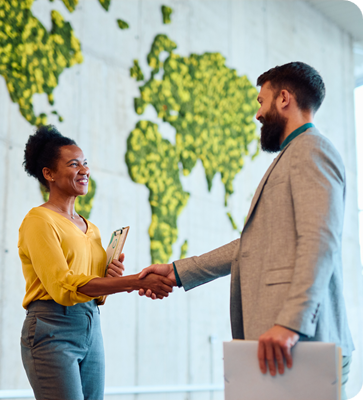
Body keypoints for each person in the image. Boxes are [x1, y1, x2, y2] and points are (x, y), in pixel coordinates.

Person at [139, 62, 354, 399]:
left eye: (261, 101)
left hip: (305, 342)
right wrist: (177, 272)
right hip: (285, 344)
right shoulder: (294, 155)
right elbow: (251, 246)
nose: (258, 114)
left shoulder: (313, 151)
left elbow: (320, 240)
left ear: (284, 99)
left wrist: (291, 323)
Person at [19, 125, 173, 400]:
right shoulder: (39, 220)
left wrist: (110, 278)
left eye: (85, 163)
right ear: (49, 174)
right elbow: (63, 286)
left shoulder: (92, 229)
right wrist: (134, 281)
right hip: (51, 326)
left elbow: (90, 288)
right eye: (74, 164)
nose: (84, 170)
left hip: (90, 324)